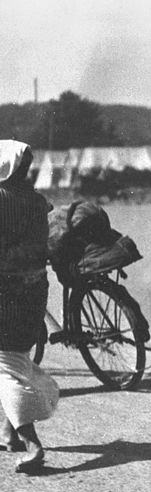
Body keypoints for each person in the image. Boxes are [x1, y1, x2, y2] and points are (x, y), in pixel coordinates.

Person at [0, 140, 60, 473]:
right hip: (35, 291)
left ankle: (32, 443)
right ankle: (10, 434)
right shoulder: (38, 202)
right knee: (15, 358)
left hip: (5, 293)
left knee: (5, 368)